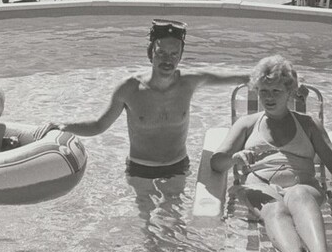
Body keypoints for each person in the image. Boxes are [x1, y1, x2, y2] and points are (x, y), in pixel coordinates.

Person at [210, 55, 332, 252]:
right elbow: (216, 162)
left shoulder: (308, 124)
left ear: (290, 92)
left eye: (276, 91)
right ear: (257, 90)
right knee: (273, 207)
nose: (269, 97)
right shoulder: (246, 124)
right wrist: (234, 158)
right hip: (260, 186)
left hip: (303, 185)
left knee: (299, 194)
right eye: (264, 91)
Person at [50, 19, 249, 179]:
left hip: (178, 166)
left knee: (174, 224)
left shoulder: (189, 82)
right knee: (144, 226)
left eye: (173, 54)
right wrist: (62, 126)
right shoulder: (129, 88)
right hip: (140, 169)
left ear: (180, 57)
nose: (167, 59)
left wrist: (264, 79)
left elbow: (234, 77)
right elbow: (98, 126)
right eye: (161, 52)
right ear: (150, 53)